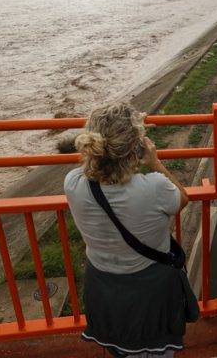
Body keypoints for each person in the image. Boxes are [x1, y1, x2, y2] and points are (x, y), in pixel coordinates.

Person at [65, 102, 198, 357]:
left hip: (103, 286)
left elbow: (93, 171)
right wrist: (155, 162)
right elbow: (182, 197)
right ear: (136, 147)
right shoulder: (155, 188)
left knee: (119, 348)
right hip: (150, 290)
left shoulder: (73, 183)